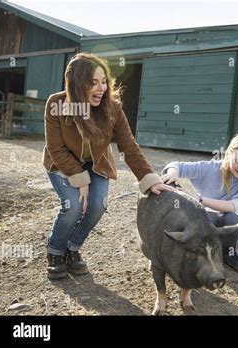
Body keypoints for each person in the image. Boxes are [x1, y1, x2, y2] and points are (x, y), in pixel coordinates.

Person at [43, 53, 173, 280]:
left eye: (103, 81)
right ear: (76, 83)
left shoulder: (112, 108)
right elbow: (56, 147)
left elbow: (129, 146)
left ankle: (72, 249)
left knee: (97, 206)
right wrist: (79, 178)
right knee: (73, 206)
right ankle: (55, 251)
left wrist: (150, 178)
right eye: (93, 83)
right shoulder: (56, 104)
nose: (101, 88)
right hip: (61, 163)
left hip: (97, 164)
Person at [161, 130, 238, 273]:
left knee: (233, 219)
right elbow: (176, 165)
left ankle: (229, 253)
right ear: (228, 156)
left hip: (229, 219)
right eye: (237, 161)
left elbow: (234, 206)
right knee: (206, 217)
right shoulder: (212, 168)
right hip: (205, 216)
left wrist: (199, 199)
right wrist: (172, 174)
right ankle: (199, 255)